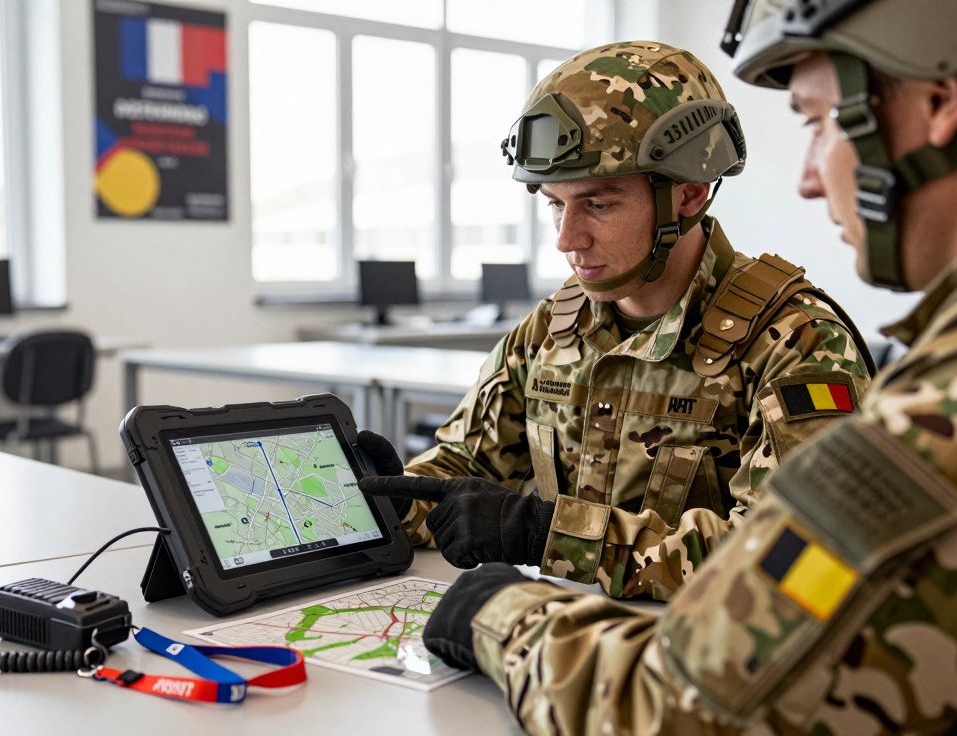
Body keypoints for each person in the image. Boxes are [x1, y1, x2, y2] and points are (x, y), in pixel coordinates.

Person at [406, 3, 957, 734]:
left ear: (941, 100)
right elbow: (462, 465)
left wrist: (501, 612)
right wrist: (380, 497)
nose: (808, 180)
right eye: (553, 205)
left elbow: (700, 706)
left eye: (817, 122)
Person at [359, 41, 873, 602]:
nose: (566, 239)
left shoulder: (795, 342)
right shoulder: (550, 331)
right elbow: (466, 467)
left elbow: (795, 561)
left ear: (690, 194)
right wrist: (400, 500)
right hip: (559, 639)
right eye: (555, 204)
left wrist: (547, 535)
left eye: (598, 205)